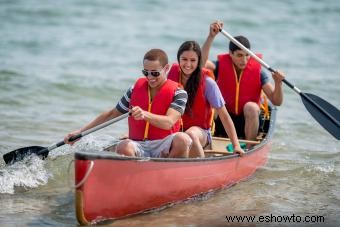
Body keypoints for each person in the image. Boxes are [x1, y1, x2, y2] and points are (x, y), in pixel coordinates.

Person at [64, 48, 192, 158]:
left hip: (163, 144)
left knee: (183, 139)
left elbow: (169, 123)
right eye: (145, 72)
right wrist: (80, 132)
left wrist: (144, 115)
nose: (150, 77)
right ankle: (134, 176)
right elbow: (112, 114)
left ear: (166, 68)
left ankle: (167, 172)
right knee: (123, 146)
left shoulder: (179, 93)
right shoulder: (134, 89)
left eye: (154, 73)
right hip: (139, 144)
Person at [202, 21, 285, 141]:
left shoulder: (259, 73)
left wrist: (278, 83)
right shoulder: (220, 66)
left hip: (248, 122)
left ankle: (249, 146)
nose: (244, 60)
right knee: (212, 104)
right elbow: (201, 63)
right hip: (225, 120)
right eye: (239, 55)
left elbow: (276, 101)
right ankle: (214, 140)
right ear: (230, 53)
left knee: (251, 107)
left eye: (247, 55)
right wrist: (211, 37)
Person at [168, 41, 244, 158]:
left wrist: (236, 145)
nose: (188, 64)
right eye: (184, 59)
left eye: (193, 60)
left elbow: (224, 116)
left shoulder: (208, 83)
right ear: (178, 59)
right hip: (176, 130)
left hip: (200, 133)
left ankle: (200, 169)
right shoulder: (170, 77)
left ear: (199, 62)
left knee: (190, 134)